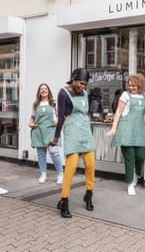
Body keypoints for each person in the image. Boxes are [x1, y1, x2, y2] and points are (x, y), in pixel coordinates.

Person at [48, 68, 95, 217]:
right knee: (71, 167)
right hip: (72, 130)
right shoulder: (63, 93)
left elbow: (85, 112)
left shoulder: (85, 93)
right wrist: (56, 138)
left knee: (90, 165)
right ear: (74, 79)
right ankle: (64, 200)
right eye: (81, 83)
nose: (83, 86)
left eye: (85, 84)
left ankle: (88, 194)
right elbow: (61, 116)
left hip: (85, 130)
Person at [106, 73, 145, 196]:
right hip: (126, 130)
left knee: (140, 157)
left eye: (134, 86)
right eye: (129, 85)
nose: (131, 88)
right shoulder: (125, 95)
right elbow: (118, 112)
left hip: (139, 131)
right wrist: (114, 128)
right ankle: (130, 184)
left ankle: (136, 174)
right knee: (130, 159)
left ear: (140, 85)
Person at [28, 83, 63, 184]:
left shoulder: (53, 103)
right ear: (39, 92)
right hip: (38, 131)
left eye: (45, 88)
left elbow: (58, 115)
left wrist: (57, 120)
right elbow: (32, 118)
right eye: (41, 89)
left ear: (48, 91)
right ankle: (43, 174)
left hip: (51, 131)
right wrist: (30, 123)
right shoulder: (36, 104)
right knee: (41, 154)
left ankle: (60, 174)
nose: (43, 90)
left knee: (54, 152)